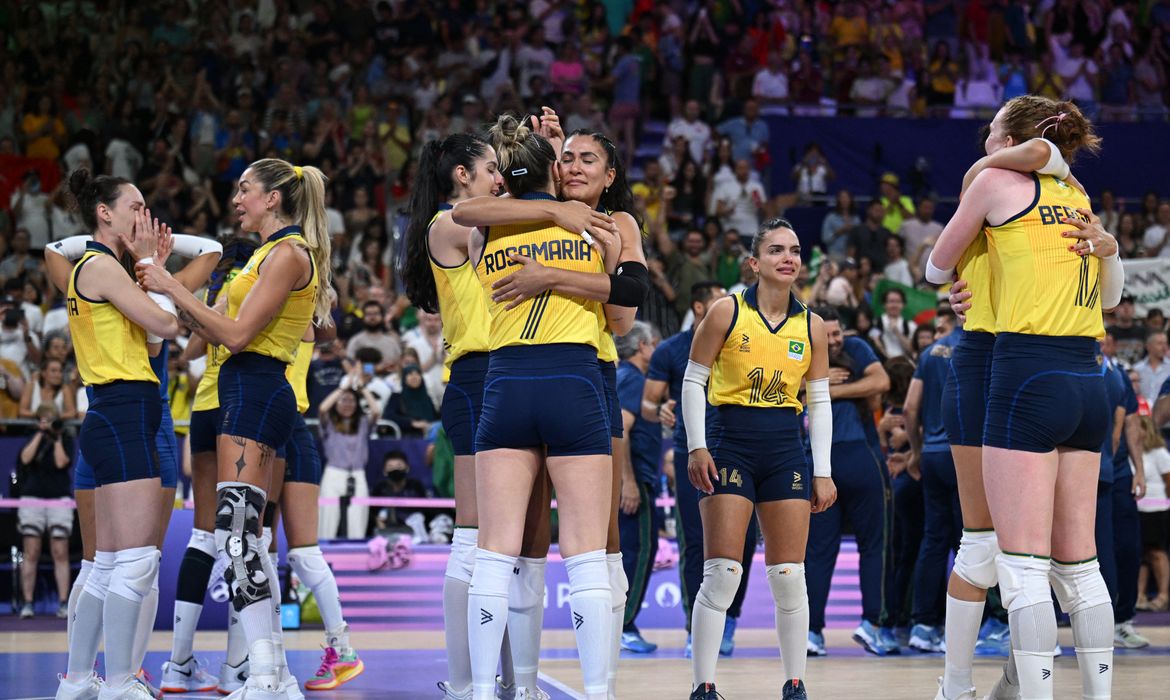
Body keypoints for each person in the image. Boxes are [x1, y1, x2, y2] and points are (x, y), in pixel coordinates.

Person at [927, 96, 1123, 700]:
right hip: (1002, 358)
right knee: (987, 547)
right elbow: (936, 272)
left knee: (1012, 556)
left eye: (991, 131)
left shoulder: (1001, 182)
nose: (985, 141)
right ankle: (956, 686)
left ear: (1015, 138)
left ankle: (1015, 678)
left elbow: (935, 266)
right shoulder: (1065, 196)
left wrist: (1041, 158)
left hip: (1017, 364)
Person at [451, 122, 647, 698]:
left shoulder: (486, 226)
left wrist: (542, 245)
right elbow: (625, 302)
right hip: (576, 379)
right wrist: (564, 228)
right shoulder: (599, 230)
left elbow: (471, 210)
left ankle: (487, 691)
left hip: (507, 380)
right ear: (552, 170)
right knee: (584, 552)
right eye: (565, 158)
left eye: (587, 159)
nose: (574, 166)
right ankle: (593, 692)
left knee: (497, 551)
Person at [138, 157, 334, 699]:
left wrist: (172, 289)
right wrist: (165, 283)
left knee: (240, 537)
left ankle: (268, 674)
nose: (236, 199)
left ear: (273, 198)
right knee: (243, 538)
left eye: (245, 190)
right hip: (243, 393)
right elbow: (198, 334)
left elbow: (239, 335)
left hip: (258, 389)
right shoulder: (266, 256)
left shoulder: (289, 254)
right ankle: (275, 673)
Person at [683, 219, 834, 700]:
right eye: (775, 250)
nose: (787, 257)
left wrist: (823, 470)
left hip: (786, 448)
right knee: (723, 573)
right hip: (730, 443)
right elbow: (692, 381)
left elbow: (821, 401)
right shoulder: (726, 311)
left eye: (794, 250)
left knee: (790, 576)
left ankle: (795, 683)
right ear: (755, 263)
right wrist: (696, 445)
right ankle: (703, 685)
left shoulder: (811, 325)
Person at [399, 132, 517, 700]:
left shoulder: (483, 221)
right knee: (473, 537)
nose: (501, 177)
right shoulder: (448, 224)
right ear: (461, 177)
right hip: (475, 380)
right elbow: (514, 212)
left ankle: (509, 681)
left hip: (512, 372)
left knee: (507, 545)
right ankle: (468, 682)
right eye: (493, 167)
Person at [54, 169, 179, 700]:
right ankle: (123, 681)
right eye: (135, 205)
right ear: (104, 213)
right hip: (124, 408)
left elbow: (152, 341)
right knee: (137, 560)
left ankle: (80, 680)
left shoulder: (107, 270)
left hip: (114, 411)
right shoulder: (102, 267)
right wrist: (153, 264)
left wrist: (154, 269)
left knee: (106, 564)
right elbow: (169, 328)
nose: (143, 217)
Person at [641, 281, 759, 658]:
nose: (726, 308)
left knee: (742, 542)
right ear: (696, 307)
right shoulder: (671, 350)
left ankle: (730, 619)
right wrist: (658, 411)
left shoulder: (742, 340)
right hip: (691, 451)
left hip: (738, 448)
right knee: (695, 543)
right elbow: (647, 404)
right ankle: (697, 625)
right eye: (716, 302)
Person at [805, 307, 895, 658]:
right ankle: (813, 631)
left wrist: (825, 391)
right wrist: (821, 385)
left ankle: (872, 624)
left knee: (872, 545)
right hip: (826, 459)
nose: (835, 339)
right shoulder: (798, 352)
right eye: (828, 335)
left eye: (837, 333)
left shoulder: (855, 348)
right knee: (823, 550)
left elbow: (881, 381)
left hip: (853, 455)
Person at [279, 324, 364, 690]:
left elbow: (323, 327)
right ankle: (261, 660)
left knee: (288, 551)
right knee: (273, 550)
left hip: (284, 428)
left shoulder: (286, 297)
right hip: (273, 426)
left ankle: (339, 649)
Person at [903, 310, 961, 653]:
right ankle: (983, 626)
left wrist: (916, 449)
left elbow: (910, 408)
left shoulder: (930, 353)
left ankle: (923, 625)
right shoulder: (980, 345)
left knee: (934, 539)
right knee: (973, 542)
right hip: (967, 454)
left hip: (934, 455)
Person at [614, 321, 663, 653]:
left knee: (629, 551)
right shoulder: (634, 380)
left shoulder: (623, 378)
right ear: (642, 346)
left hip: (632, 478)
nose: (656, 350)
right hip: (636, 480)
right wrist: (628, 482)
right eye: (654, 344)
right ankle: (624, 625)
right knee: (641, 550)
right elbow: (621, 431)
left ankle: (619, 624)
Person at [16, 404, 73, 619]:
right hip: (33, 498)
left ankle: (63, 602)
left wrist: (56, 437)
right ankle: (28, 603)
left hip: (58, 498)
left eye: (52, 419)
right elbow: (25, 459)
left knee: (60, 552)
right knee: (31, 551)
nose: (49, 422)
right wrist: (40, 433)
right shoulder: (32, 435)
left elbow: (62, 462)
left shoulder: (64, 437)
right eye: (45, 419)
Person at [317, 380, 381, 540]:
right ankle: (324, 552)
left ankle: (356, 554)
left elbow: (376, 411)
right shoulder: (329, 423)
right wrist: (343, 388)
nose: (347, 404)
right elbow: (323, 408)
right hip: (333, 473)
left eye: (351, 400)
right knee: (327, 517)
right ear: (336, 402)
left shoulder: (363, 423)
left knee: (358, 517)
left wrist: (362, 389)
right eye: (343, 400)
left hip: (357, 474)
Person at [1136, 414, 1170, 612]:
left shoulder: (1158, 452)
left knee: (1157, 553)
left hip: (1157, 510)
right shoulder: (1133, 452)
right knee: (1141, 554)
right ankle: (1139, 594)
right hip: (1138, 509)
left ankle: (1163, 594)